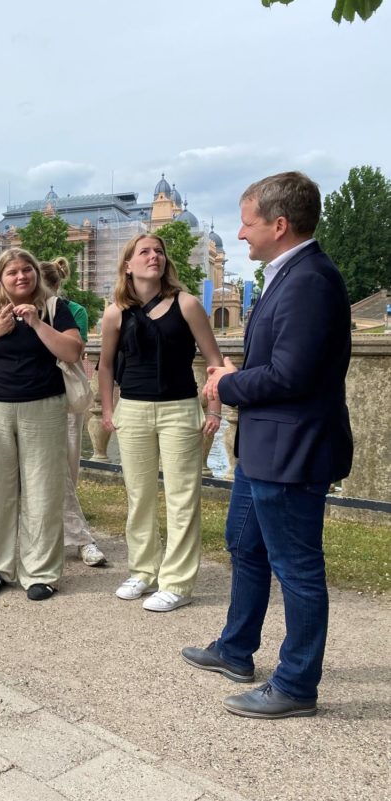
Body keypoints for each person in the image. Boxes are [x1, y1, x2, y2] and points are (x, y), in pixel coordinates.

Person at [183, 172, 352, 719]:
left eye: (247, 223)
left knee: (297, 567)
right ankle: (236, 650)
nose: (238, 235)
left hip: (292, 450)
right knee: (246, 546)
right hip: (267, 448)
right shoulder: (290, 274)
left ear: (279, 226)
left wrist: (225, 384)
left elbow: (291, 376)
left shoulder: (310, 280)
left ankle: (297, 684)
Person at [98, 233, 223, 612]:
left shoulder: (186, 305)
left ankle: (178, 582)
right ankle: (143, 571)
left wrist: (214, 409)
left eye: (159, 252)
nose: (154, 256)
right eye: (145, 252)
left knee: (183, 496)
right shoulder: (115, 311)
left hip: (179, 408)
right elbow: (104, 365)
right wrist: (107, 410)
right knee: (139, 496)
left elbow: (215, 361)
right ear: (128, 265)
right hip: (133, 409)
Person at [0, 248, 83, 601]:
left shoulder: (56, 308)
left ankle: (41, 572)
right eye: (12, 272)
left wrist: (37, 324)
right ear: (1, 278)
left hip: (43, 406)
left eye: (27, 270)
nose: (21, 276)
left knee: (43, 491)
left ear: (36, 274)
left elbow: (72, 352)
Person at [37, 258, 107, 568]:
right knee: (53, 471)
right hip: (32, 397)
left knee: (67, 467)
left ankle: (71, 534)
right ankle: (79, 537)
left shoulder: (70, 310)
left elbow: (72, 350)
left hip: (63, 397)